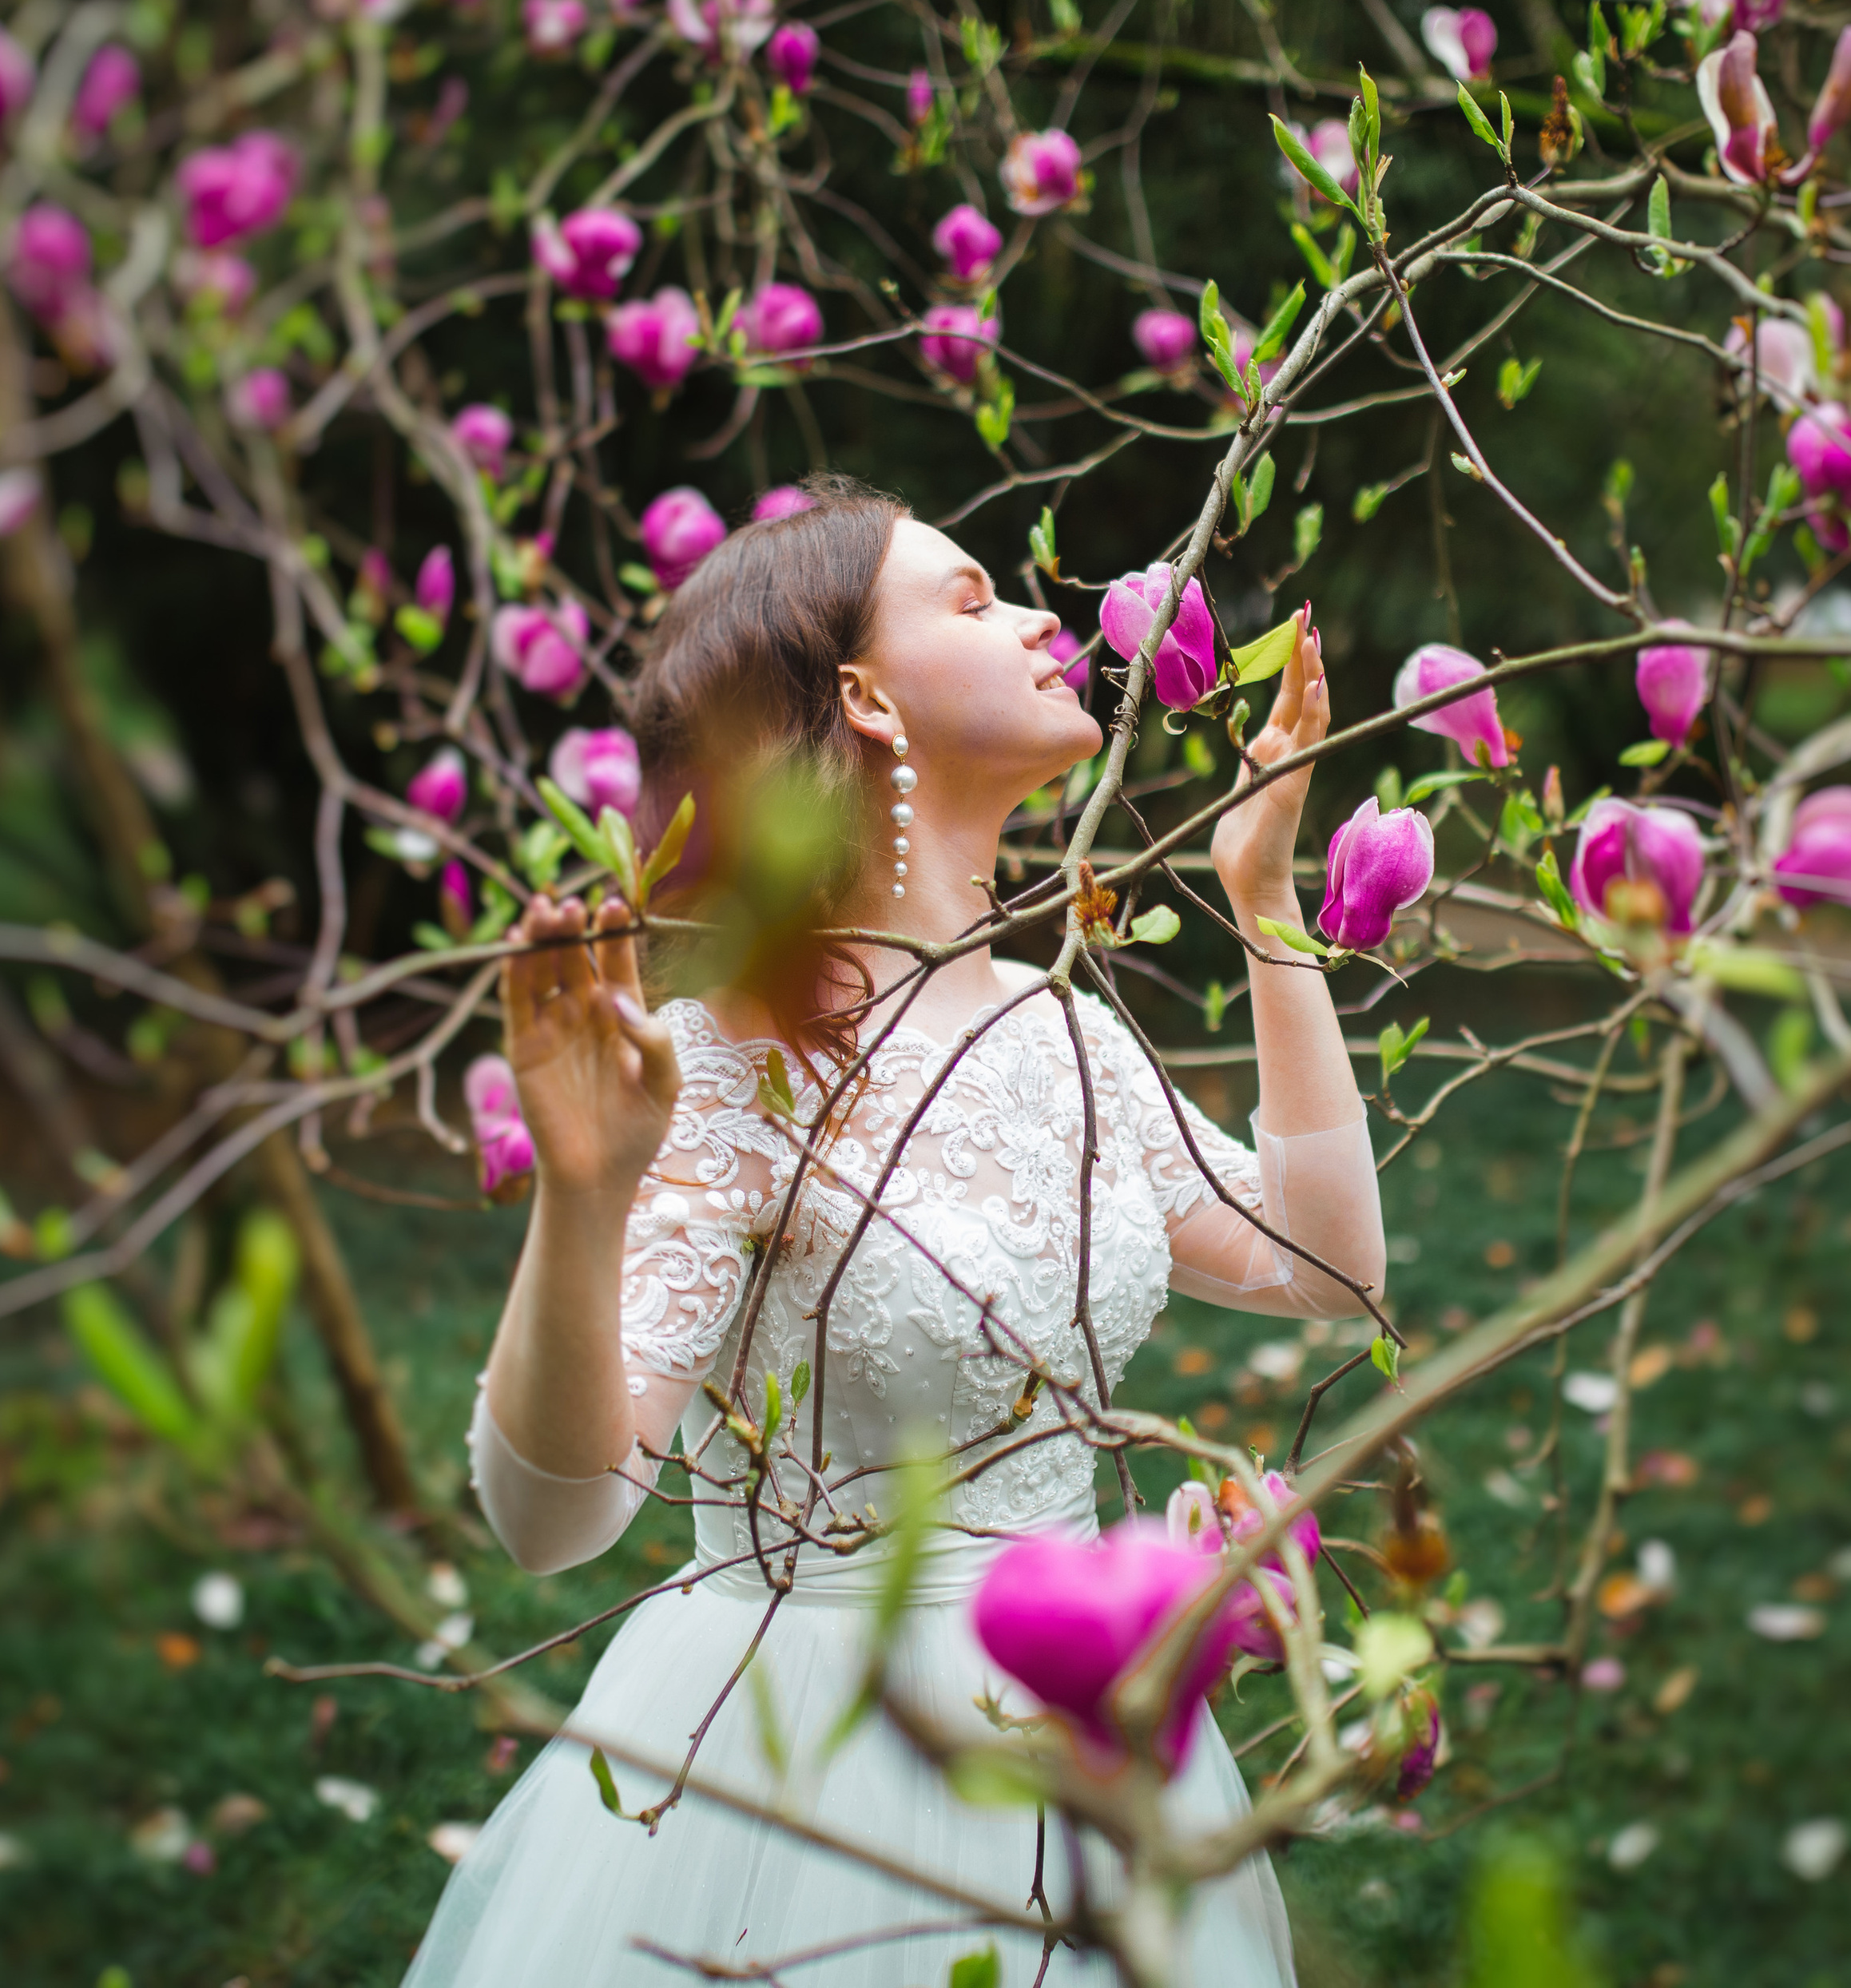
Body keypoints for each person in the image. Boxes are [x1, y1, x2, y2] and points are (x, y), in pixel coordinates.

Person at [406, 476, 1387, 1986]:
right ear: (863, 698)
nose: (1047, 618)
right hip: (804, 1764)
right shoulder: (725, 1069)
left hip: (1084, 1730)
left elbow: (1328, 1269)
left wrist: (1264, 901)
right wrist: (585, 1197)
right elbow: (555, 1523)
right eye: (976, 598)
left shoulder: (1065, 1039)